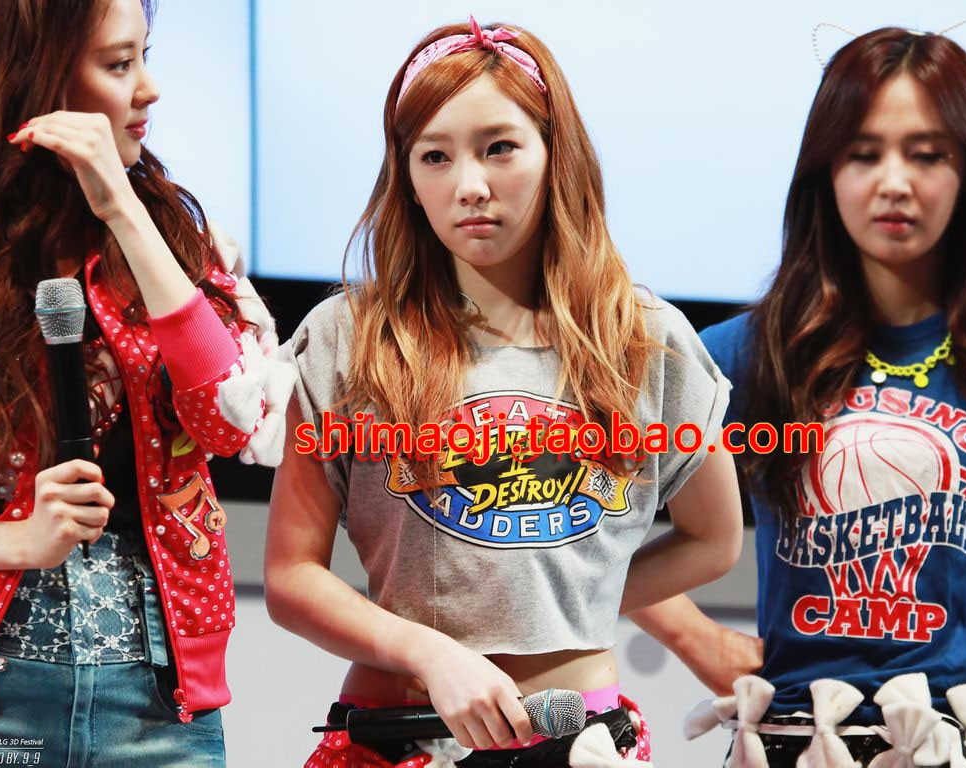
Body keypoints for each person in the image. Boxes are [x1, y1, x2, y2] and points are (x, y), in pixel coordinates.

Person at [267, 17, 743, 767]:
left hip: (580, 740)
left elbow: (714, 540)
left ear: (556, 153)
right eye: (435, 156)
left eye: (499, 147)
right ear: (407, 178)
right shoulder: (348, 337)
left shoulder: (643, 339)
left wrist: (568, 601)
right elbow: (291, 576)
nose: (470, 186)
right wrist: (429, 651)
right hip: (394, 738)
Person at [638, 27, 966, 767]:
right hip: (796, 739)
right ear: (826, 171)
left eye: (927, 154)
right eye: (864, 154)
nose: (894, 182)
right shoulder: (744, 355)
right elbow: (568, 518)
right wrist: (693, 636)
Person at [0, 0, 292, 764]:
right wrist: (15, 539)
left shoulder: (173, 235)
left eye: (146, 56)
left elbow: (231, 423)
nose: (148, 88)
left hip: (155, 702)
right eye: (119, 64)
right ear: (35, 77)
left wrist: (122, 208)